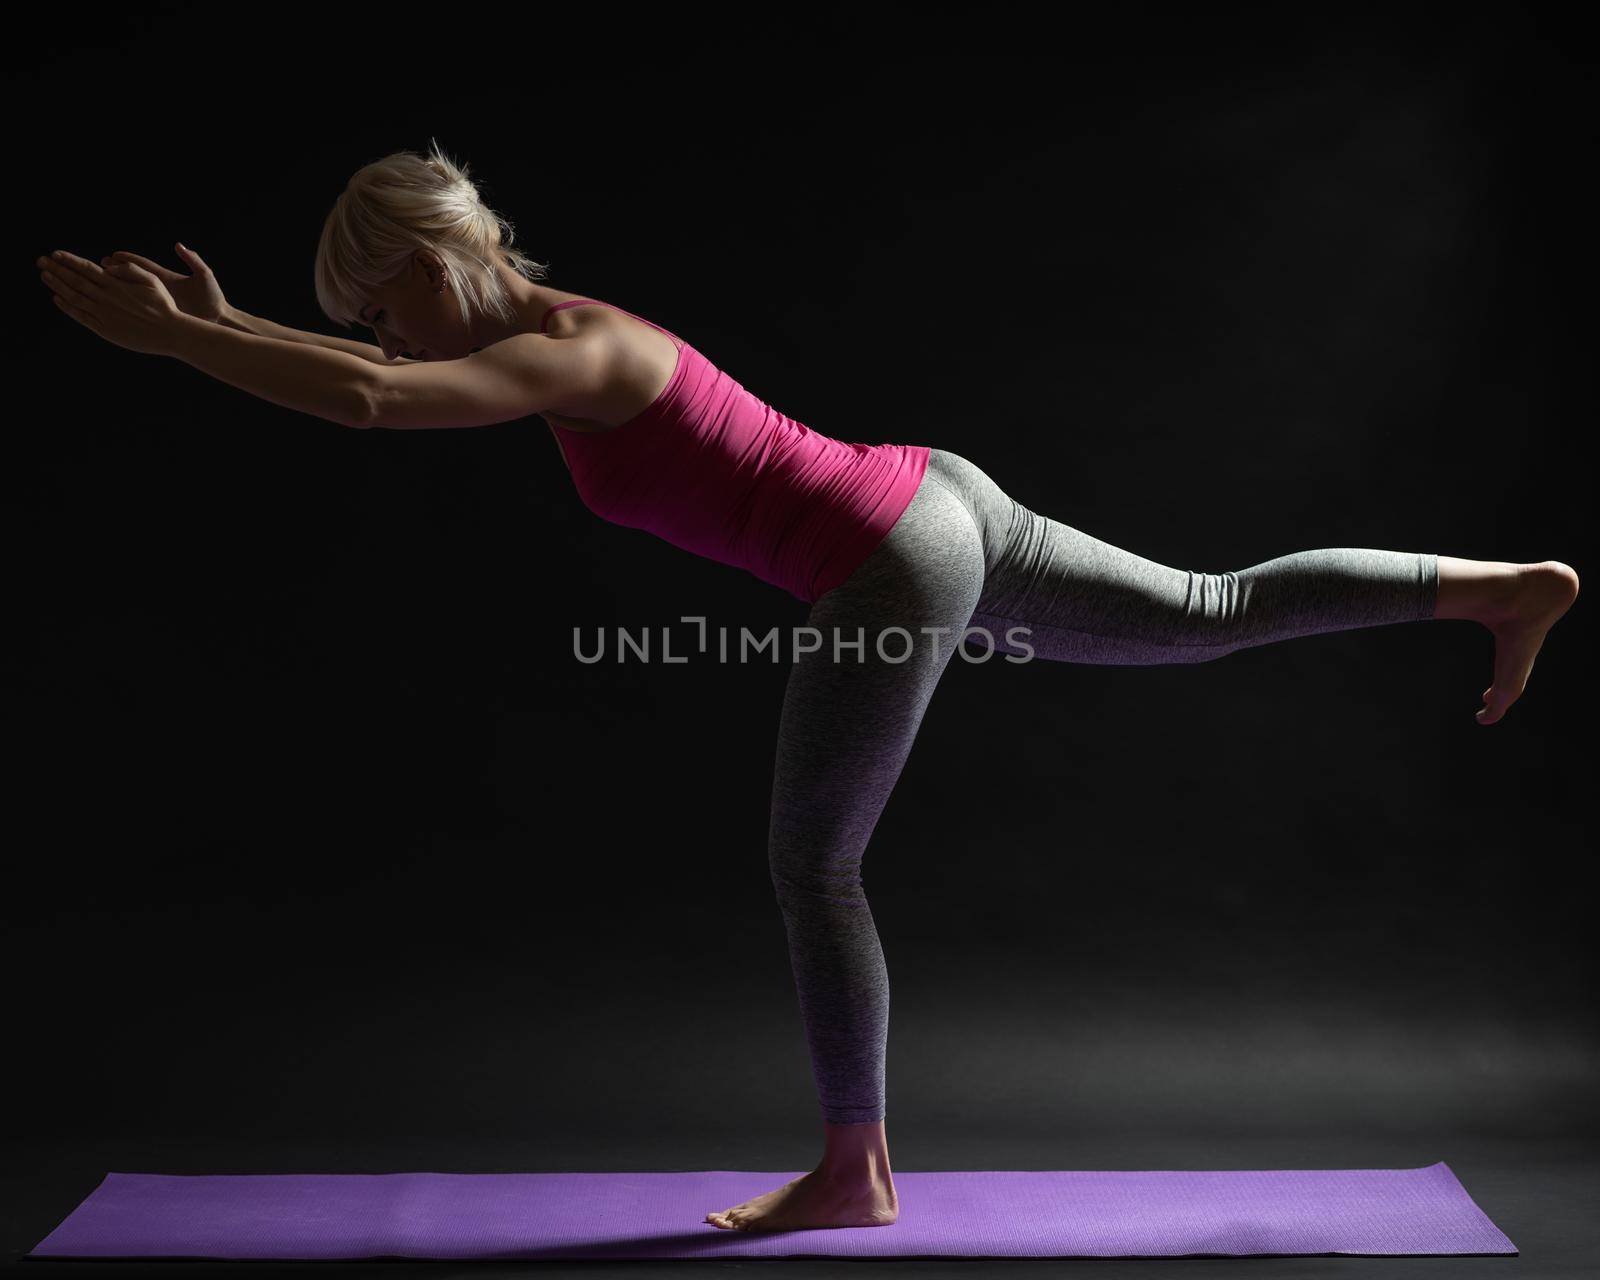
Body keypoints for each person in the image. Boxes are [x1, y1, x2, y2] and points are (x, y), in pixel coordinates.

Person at [35, 141, 1579, 1235]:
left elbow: (375, 398)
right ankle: (1498, 586)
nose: (372, 332)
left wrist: (184, 350)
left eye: (378, 301)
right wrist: (219, 326)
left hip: (891, 561)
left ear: (435, 267)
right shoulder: (560, 332)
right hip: (931, 497)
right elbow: (382, 368)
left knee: (812, 861)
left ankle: (855, 1170)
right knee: (1210, 609)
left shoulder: (568, 359)